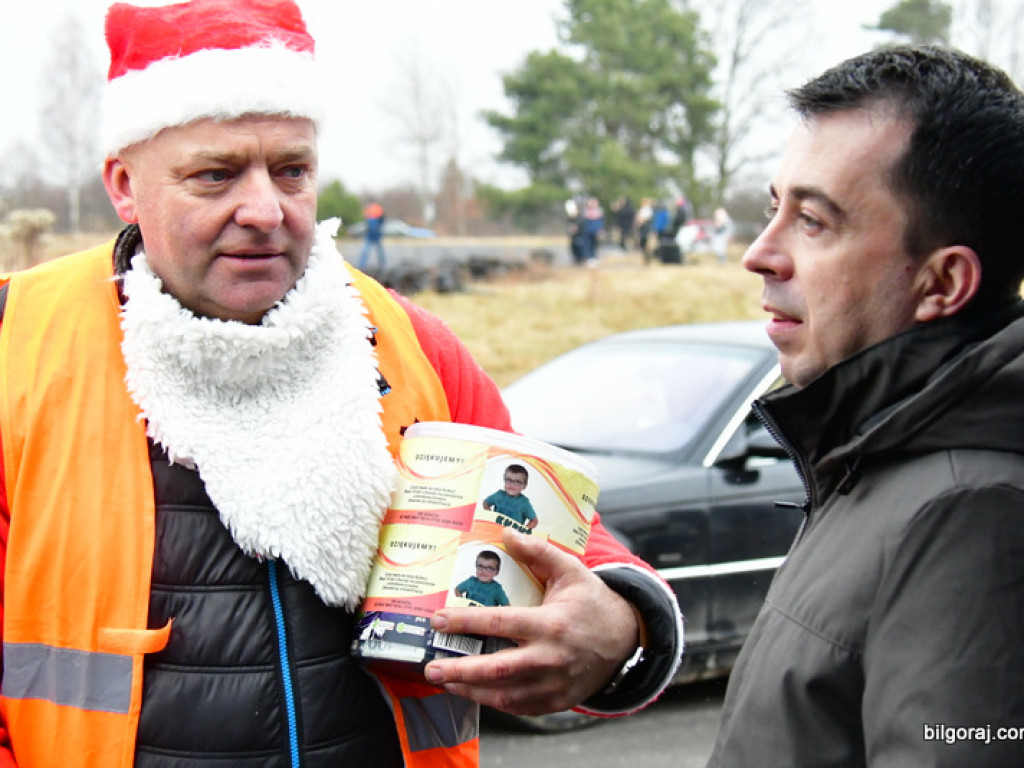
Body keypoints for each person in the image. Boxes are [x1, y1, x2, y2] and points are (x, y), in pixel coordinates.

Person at [0, 2, 684, 767]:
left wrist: (623, 623)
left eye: (291, 170)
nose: (265, 210)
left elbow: (557, 531)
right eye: (216, 175)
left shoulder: (408, 342)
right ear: (125, 185)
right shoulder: (15, 346)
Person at [707, 45, 1024, 767]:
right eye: (773, 207)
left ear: (942, 283)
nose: (760, 252)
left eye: (814, 221)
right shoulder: (873, 459)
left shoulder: (974, 509)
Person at [482, 463, 539, 533]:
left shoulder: (524, 502)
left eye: (517, 482)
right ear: (504, 480)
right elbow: (485, 503)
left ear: (524, 485)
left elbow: (534, 520)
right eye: (508, 480)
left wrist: (523, 530)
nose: (512, 484)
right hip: (495, 530)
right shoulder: (498, 495)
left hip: (512, 535)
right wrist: (490, 516)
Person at [357, 200, 387, 273]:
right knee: (374, 250)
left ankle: (362, 265)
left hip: (374, 234)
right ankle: (362, 265)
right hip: (372, 234)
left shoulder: (370, 210)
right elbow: (382, 220)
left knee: (373, 250)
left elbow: (380, 220)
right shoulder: (375, 209)